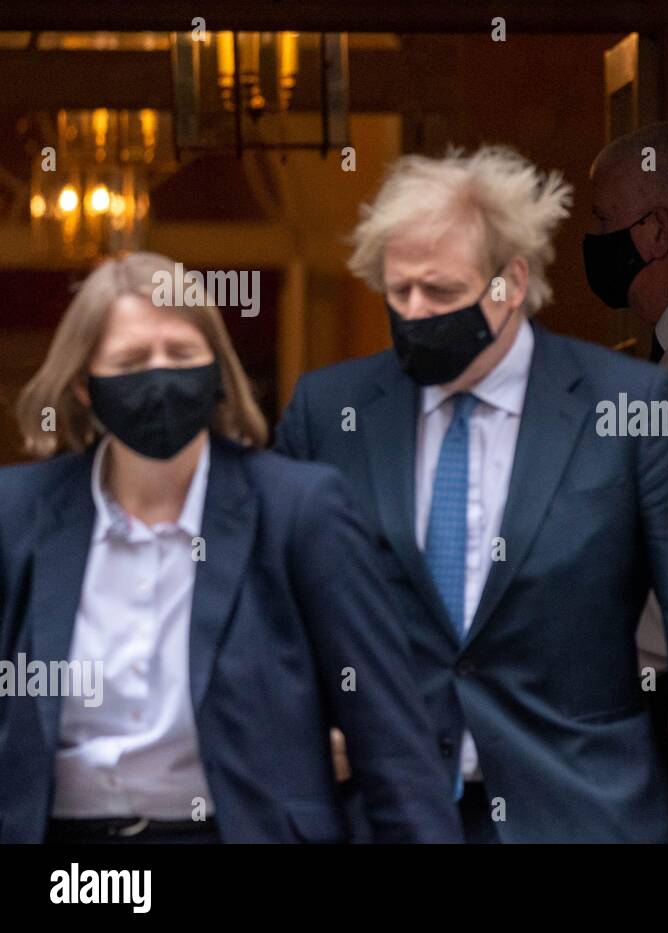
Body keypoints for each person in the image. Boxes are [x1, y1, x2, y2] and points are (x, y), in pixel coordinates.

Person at [276, 147, 668, 843]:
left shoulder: (632, 407)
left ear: (511, 282)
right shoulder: (329, 413)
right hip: (380, 814)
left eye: (442, 292)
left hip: (582, 812)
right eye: (399, 292)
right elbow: (270, 610)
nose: (415, 312)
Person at [0, 252, 461, 844]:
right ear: (86, 386)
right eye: (132, 361)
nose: (160, 375)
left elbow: (390, 739)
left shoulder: (299, 510)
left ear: (217, 369)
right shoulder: (19, 514)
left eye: (183, 355)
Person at [585, 124, 668, 829]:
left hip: (663, 698)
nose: (593, 243)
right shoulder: (654, 359)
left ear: (654, 232)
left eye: (603, 222)